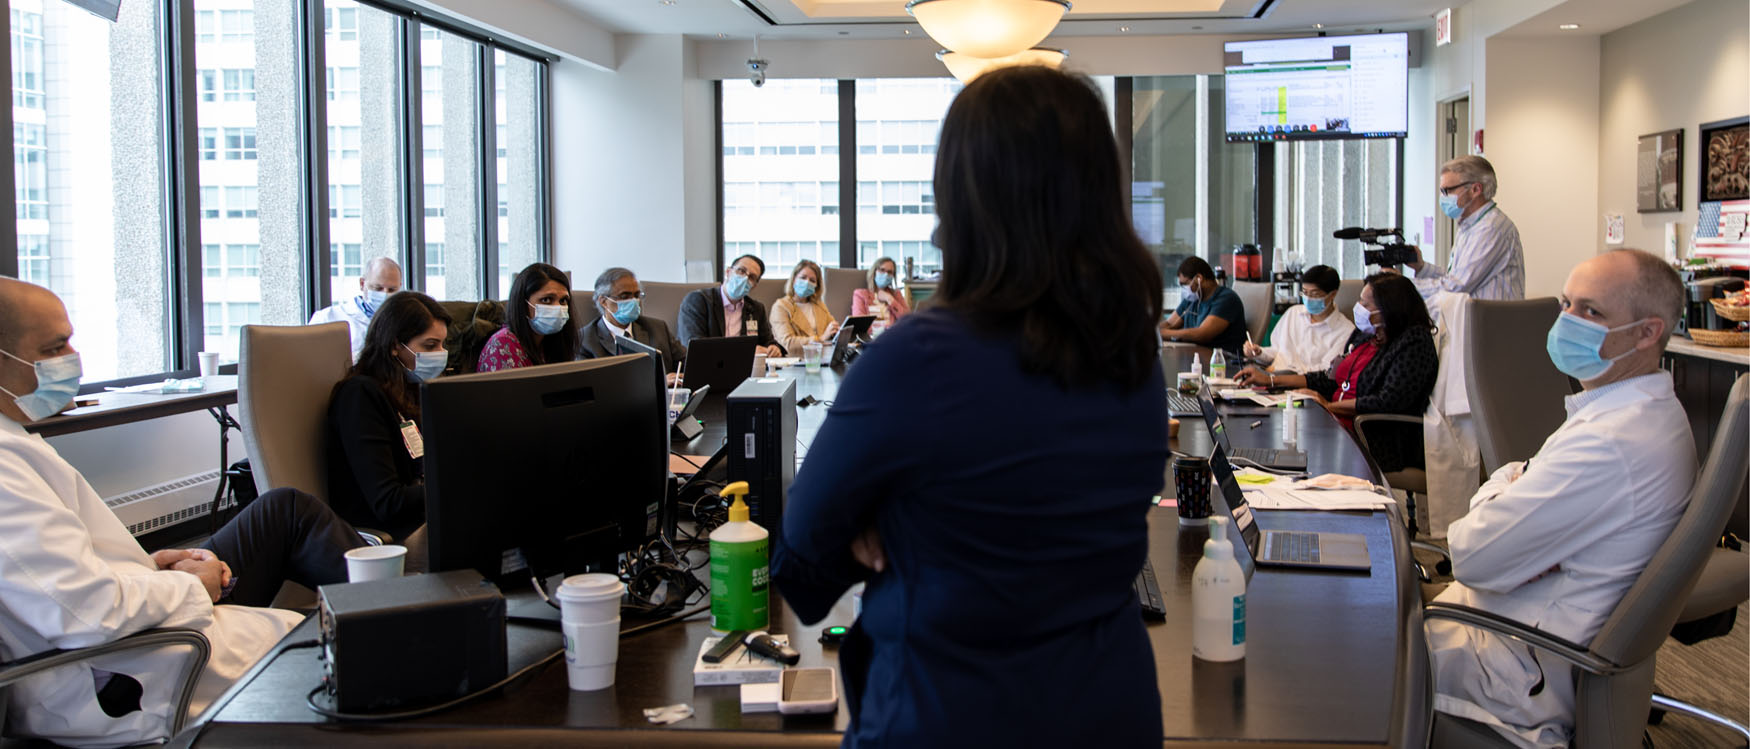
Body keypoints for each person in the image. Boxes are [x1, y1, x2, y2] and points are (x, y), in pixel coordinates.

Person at [771, 66, 1168, 747]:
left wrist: (887, 519)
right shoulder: (1135, 355)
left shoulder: (914, 359)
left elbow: (804, 559)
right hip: (1112, 708)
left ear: (961, 195)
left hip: (945, 714)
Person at [0, 278, 365, 747]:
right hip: (122, 679)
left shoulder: (15, 442)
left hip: (127, 643)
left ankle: (398, 614)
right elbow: (83, 612)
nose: (72, 358)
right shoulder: (5, 470)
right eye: (55, 347)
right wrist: (192, 585)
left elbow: (49, 582)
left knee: (289, 521)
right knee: (348, 651)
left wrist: (151, 568)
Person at [1427, 249, 1694, 748]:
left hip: (1508, 674)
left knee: (1333, 644)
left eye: (1591, 312)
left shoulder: (1611, 442)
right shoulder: (1633, 411)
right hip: (1515, 635)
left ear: (1646, 332)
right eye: (1567, 304)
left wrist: (1506, 488)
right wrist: (1513, 484)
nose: (1567, 321)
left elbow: (1468, 555)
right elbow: (1513, 482)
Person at [1236, 273, 1438, 473]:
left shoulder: (1413, 342)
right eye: (1359, 300)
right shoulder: (1367, 335)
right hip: (1339, 422)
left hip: (1377, 435)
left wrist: (1329, 406)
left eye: (1365, 305)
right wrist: (1271, 380)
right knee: (1272, 433)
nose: (1358, 308)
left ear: (1390, 308)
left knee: (1289, 449)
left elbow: (1388, 401)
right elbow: (1329, 378)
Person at [326, 292, 451, 542]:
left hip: (422, 518)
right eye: (430, 346)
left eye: (442, 344)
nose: (441, 353)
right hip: (391, 535)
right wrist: (453, 483)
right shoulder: (360, 395)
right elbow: (388, 502)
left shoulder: (410, 392)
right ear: (395, 345)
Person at [1404, 155, 1524, 301]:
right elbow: (1456, 277)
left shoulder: (1491, 228)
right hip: (1472, 317)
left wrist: (1400, 286)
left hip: (1490, 322)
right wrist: (1422, 268)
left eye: (1447, 191)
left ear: (1475, 189)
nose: (1443, 198)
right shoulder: (1470, 224)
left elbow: (1456, 286)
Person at [577, 267, 686, 385]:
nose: (634, 301)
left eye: (637, 295)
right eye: (625, 296)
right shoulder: (584, 340)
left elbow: (688, 364)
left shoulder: (658, 328)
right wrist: (659, 382)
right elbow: (591, 387)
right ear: (603, 301)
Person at [1243, 264, 1354, 373]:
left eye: (1314, 294)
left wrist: (1287, 376)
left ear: (1332, 294)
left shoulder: (1345, 331)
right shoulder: (1294, 313)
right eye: (1305, 292)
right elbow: (1277, 351)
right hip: (1273, 377)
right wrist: (1259, 352)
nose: (1308, 298)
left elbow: (1325, 371)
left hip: (1304, 385)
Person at [676, 254, 784, 357]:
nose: (745, 278)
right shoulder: (698, 301)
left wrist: (773, 349)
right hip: (707, 369)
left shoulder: (755, 309)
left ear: (754, 286)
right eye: (741, 271)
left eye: (751, 277)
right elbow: (695, 347)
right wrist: (745, 351)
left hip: (747, 372)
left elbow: (767, 342)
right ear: (728, 272)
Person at [477, 262, 578, 372]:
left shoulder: (551, 342)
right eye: (546, 300)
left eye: (563, 300)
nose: (558, 308)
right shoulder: (503, 344)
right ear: (523, 305)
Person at [309, 257, 404, 360]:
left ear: (400, 287)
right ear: (362, 284)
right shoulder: (327, 318)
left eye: (392, 289)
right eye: (378, 288)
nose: (385, 294)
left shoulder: (407, 320)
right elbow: (311, 361)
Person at [1159, 255, 1248, 354]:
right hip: (1195, 356)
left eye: (1185, 284)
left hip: (1221, 362)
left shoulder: (1226, 299)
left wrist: (1161, 333)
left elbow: (1201, 334)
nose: (1184, 289)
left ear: (1199, 278)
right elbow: (1170, 323)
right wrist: (1151, 331)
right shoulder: (1193, 298)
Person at [769, 259, 841, 355]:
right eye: (803, 277)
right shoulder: (781, 307)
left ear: (816, 286)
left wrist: (836, 332)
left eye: (812, 280)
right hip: (795, 362)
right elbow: (788, 342)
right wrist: (820, 339)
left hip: (822, 358)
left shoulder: (819, 305)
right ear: (794, 280)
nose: (807, 282)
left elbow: (831, 330)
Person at [850, 256, 910, 326]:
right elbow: (859, 323)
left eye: (889, 272)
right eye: (882, 270)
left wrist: (890, 299)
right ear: (874, 272)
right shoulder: (860, 294)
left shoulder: (896, 294)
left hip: (892, 334)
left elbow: (908, 320)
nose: (886, 274)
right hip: (871, 336)